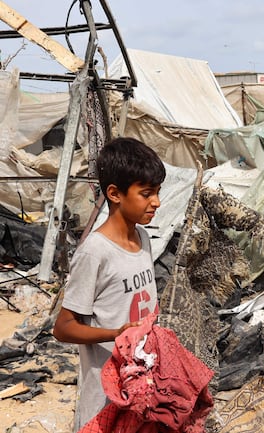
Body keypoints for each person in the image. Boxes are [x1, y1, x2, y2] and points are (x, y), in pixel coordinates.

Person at [53, 137, 166, 430]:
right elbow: (63, 328)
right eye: (147, 193)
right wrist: (117, 334)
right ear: (115, 194)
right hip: (107, 390)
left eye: (157, 192)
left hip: (140, 382)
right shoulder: (95, 252)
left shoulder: (142, 239)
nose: (157, 201)